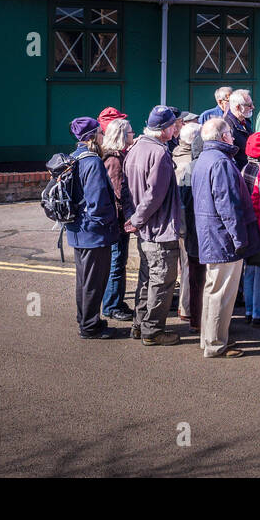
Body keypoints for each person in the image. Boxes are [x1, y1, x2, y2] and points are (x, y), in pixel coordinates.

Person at [192, 117, 260, 358]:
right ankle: (216, 343)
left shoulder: (204, 158)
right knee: (222, 293)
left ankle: (209, 339)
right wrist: (239, 239)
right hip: (223, 237)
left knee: (213, 289)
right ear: (223, 136)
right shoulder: (221, 162)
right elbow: (228, 206)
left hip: (210, 233)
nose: (233, 136)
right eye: (230, 133)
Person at [123, 106, 184, 346]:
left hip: (144, 229)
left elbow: (126, 190)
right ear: (163, 129)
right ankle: (153, 331)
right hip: (159, 229)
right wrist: (137, 219)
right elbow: (154, 195)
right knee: (162, 282)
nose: (176, 128)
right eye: (173, 125)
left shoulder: (135, 148)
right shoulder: (160, 153)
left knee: (147, 279)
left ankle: (139, 325)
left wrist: (133, 218)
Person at [65, 117, 124, 339]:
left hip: (77, 230)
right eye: (100, 132)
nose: (102, 136)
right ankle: (90, 326)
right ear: (91, 137)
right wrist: (111, 225)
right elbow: (98, 202)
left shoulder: (74, 157)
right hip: (94, 233)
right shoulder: (93, 162)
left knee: (84, 281)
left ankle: (86, 320)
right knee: (94, 282)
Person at [100, 116, 136, 322]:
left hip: (117, 222)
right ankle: (112, 306)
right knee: (116, 263)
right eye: (130, 131)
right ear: (122, 135)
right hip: (116, 222)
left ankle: (116, 301)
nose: (133, 133)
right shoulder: (114, 160)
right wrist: (128, 219)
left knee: (119, 262)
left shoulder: (116, 156)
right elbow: (117, 194)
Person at [171, 121, 205, 332]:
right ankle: (187, 309)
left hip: (181, 223)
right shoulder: (188, 164)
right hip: (189, 224)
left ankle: (187, 308)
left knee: (186, 268)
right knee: (190, 270)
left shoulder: (176, 155)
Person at [241, 132, 260, 327]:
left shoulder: (245, 168)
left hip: (247, 225)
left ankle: (249, 309)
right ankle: (259, 313)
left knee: (250, 269)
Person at [221, 89, 254, 169]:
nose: (253, 107)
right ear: (238, 107)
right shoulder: (227, 126)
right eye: (249, 105)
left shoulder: (245, 120)